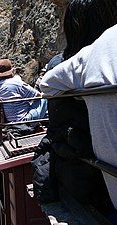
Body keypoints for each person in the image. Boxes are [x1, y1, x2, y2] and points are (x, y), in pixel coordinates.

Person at [37, 0, 117, 217]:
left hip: (72, 174)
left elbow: (46, 87)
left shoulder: (59, 64)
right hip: (96, 181)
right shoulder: (97, 56)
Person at [0, 58, 48, 122]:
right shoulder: (17, 83)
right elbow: (37, 95)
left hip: (7, 122)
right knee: (44, 98)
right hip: (25, 121)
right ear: (12, 71)